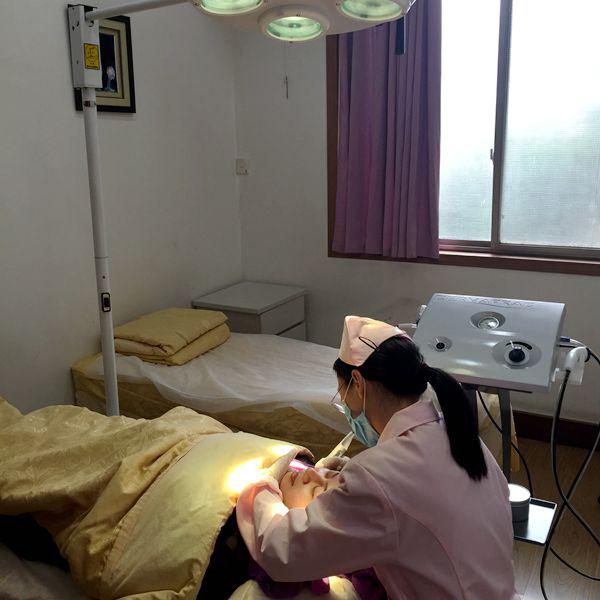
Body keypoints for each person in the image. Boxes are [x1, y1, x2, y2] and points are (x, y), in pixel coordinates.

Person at [236, 316, 520, 600]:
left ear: (357, 383)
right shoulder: (462, 438)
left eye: (342, 394)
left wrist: (263, 482)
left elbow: (282, 551)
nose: (345, 406)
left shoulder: (377, 476)